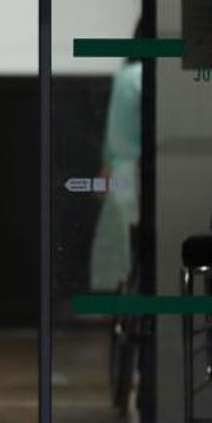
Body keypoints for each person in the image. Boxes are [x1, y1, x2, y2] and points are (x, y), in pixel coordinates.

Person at [89, 48, 142, 292]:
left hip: (120, 170)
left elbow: (112, 136)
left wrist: (106, 170)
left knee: (122, 250)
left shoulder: (124, 76)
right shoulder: (146, 76)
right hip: (140, 170)